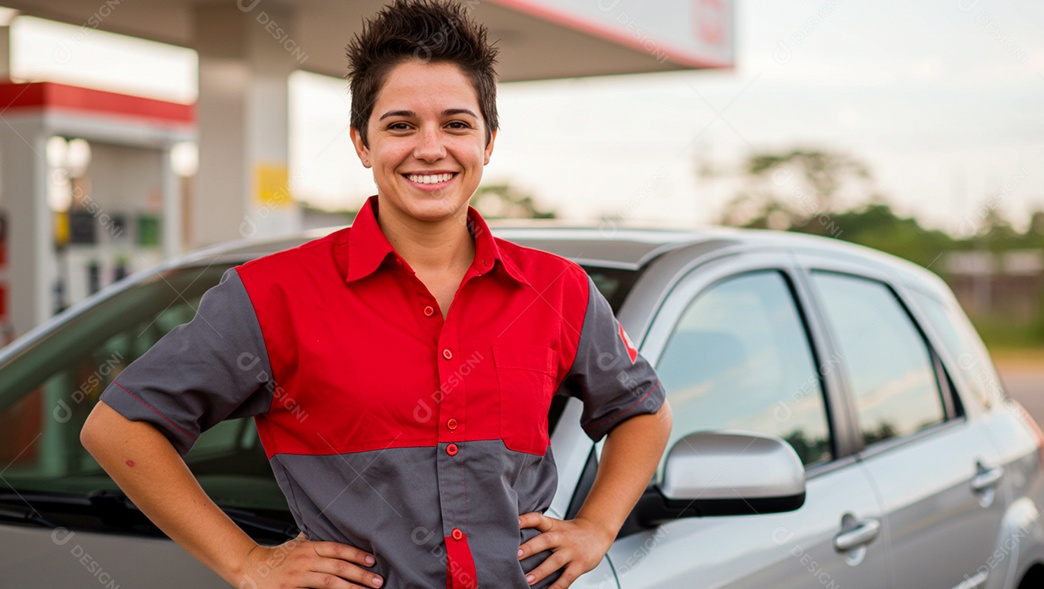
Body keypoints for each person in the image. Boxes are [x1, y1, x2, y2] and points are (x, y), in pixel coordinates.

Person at [80, 1, 671, 587]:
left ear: (488, 143)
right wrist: (246, 561)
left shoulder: (557, 289)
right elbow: (119, 427)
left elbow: (642, 412)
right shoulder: (270, 294)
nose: (430, 148)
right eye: (401, 125)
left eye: (457, 124)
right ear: (363, 144)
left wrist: (596, 528)